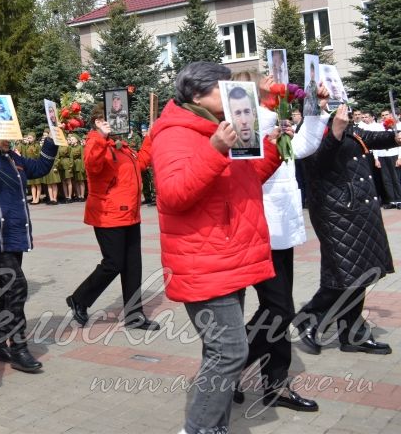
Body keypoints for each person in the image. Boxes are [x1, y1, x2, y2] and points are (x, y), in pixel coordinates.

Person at [151, 61, 282, 434]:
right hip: (203, 259)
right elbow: (174, 196)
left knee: (219, 351)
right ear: (197, 94)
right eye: (222, 89)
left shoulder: (218, 127)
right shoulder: (174, 132)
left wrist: (271, 150)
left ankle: (214, 426)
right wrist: (214, 149)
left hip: (228, 254)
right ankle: (199, 429)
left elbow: (244, 179)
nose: (231, 95)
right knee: (230, 351)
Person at [229, 70, 327, 412]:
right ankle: (230, 367)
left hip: (279, 229)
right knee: (278, 309)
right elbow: (250, 164)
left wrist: (315, 109)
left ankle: (274, 384)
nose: (274, 88)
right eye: (265, 88)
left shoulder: (273, 123)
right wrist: (274, 108)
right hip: (254, 231)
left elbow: (303, 146)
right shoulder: (241, 128)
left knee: (279, 308)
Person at [297, 104, 398, 356]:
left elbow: (369, 137)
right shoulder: (309, 129)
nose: (329, 101)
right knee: (345, 271)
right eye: (321, 98)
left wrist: (394, 135)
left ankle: (353, 335)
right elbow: (317, 164)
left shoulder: (347, 123)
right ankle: (310, 317)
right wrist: (335, 132)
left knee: (360, 271)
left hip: (359, 209)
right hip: (336, 211)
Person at [0, 113, 56, 373]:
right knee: (17, 287)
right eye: (3, 134)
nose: (8, 139)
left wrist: (52, 140)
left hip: (14, 234)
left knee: (0, 289)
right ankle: (18, 348)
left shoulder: (14, 157)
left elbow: (40, 168)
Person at [66, 106, 159, 331]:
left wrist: (149, 137)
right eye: (113, 118)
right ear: (99, 121)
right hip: (108, 214)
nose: (119, 122)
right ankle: (79, 298)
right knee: (114, 263)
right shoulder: (96, 143)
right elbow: (92, 164)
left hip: (129, 214)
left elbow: (141, 163)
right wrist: (100, 135)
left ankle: (135, 315)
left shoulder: (122, 147)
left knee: (132, 266)